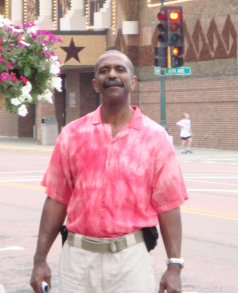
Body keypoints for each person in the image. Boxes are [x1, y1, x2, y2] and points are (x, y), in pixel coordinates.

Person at [30, 50, 188, 293]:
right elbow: (56, 200)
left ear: (132, 82)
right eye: (104, 71)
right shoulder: (72, 134)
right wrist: (40, 260)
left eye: (120, 69)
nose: (112, 74)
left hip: (130, 261)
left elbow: (168, 206)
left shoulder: (155, 138)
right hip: (78, 262)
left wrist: (174, 266)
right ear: (95, 84)